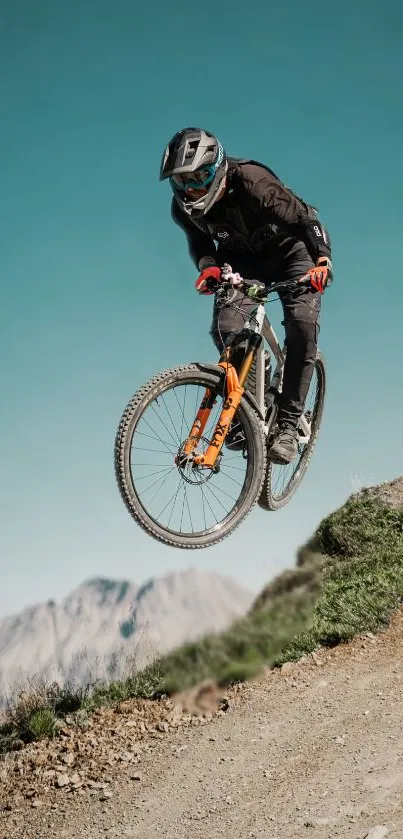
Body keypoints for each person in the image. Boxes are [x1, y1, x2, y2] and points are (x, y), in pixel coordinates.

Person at [159, 127, 333, 464]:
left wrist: (322, 260)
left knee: (300, 326)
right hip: (243, 260)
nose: (191, 187)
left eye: (199, 177)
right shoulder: (183, 210)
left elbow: (306, 219)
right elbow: (199, 243)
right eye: (182, 182)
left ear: (219, 166)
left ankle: (288, 422)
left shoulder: (255, 183)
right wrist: (208, 265)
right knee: (226, 328)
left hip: (292, 255)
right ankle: (250, 402)